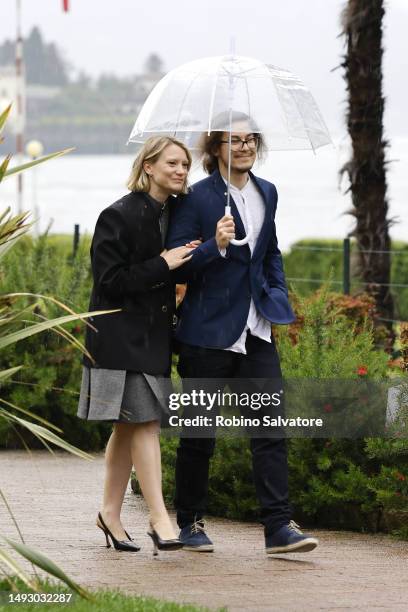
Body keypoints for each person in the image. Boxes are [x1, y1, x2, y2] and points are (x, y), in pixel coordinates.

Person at [166, 113, 319, 554]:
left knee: (270, 430)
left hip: (256, 333)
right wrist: (213, 245)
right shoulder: (195, 198)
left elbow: (269, 252)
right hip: (206, 333)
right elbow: (178, 261)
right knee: (199, 433)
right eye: (234, 140)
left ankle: (278, 529)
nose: (246, 146)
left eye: (251, 139)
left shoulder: (267, 191)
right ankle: (191, 523)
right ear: (215, 149)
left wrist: (277, 297)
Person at [77, 136, 198, 555]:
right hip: (117, 337)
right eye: (172, 163)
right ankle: (160, 517)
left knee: (128, 426)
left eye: (185, 164)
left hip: (154, 337)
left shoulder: (177, 214)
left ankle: (109, 513)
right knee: (145, 423)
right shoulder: (118, 214)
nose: (181, 170)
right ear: (148, 166)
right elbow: (108, 282)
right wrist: (162, 265)